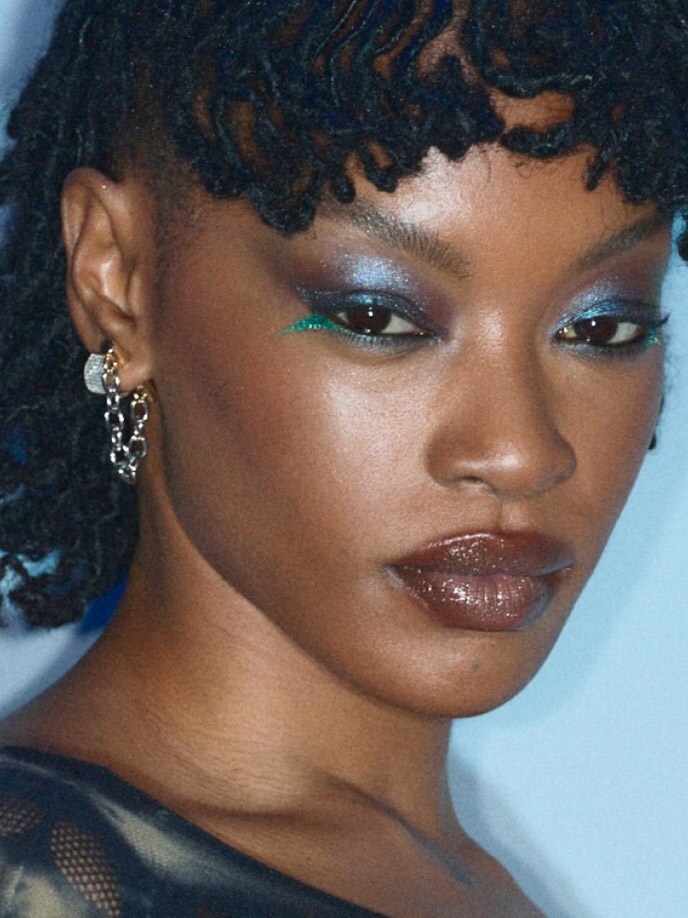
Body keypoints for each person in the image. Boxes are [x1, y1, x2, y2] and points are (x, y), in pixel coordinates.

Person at [0, 1, 685, 915]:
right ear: (116, 278)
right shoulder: (42, 883)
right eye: (378, 317)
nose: (520, 455)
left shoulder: (467, 883)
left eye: (601, 328)